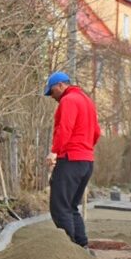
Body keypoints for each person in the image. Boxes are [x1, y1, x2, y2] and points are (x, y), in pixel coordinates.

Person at [45, 71, 100, 247]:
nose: (52, 96)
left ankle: (68, 248)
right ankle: (81, 245)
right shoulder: (87, 101)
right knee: (71, 206)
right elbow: (97, 132)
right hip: (87, 161)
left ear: (61, 85)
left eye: (52, 91)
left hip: (70, 160)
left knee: (60, 207)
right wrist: (86, 148)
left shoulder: (68, 101)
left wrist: (55, 152)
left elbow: (65, 129)